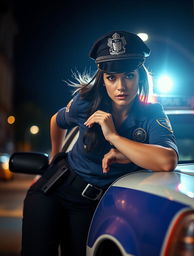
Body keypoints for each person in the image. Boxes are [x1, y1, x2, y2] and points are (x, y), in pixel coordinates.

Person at [21, 31, 179, 256]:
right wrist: (55, 156)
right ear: (103, 80)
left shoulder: (152, 113)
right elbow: (57, 121)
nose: (121, 86)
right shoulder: (85, 103)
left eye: (129, 76)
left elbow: (167, 161)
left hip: (93, 205)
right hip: (54, 192)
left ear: (140, 77)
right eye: (112, 78)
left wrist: (115, 138)